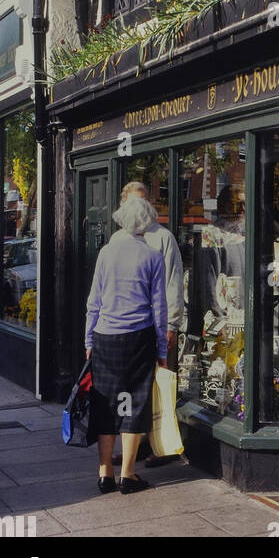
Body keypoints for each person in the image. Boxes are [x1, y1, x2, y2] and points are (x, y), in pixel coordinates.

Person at [85, 194, 167, 494]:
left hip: (105, 336)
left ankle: (105, 471)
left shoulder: (106, 253)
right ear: (146, 224)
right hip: (138, 338)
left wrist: (88, 339)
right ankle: (128, 475)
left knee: (106, 401)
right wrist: (162, 351)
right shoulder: (153, 257)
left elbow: (93, 301)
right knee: (134, 403)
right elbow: (159, 308)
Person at [120, 180, 184, 466]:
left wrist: (171, 326)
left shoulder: (163, 238)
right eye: (133, 203)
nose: (138, 210)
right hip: (128, 330)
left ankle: (162, 446)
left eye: (143, 203)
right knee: (134, 388)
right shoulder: (119, 239)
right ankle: (138, 443)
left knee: (158, 389)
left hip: (155, 328)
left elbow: (173, 284)